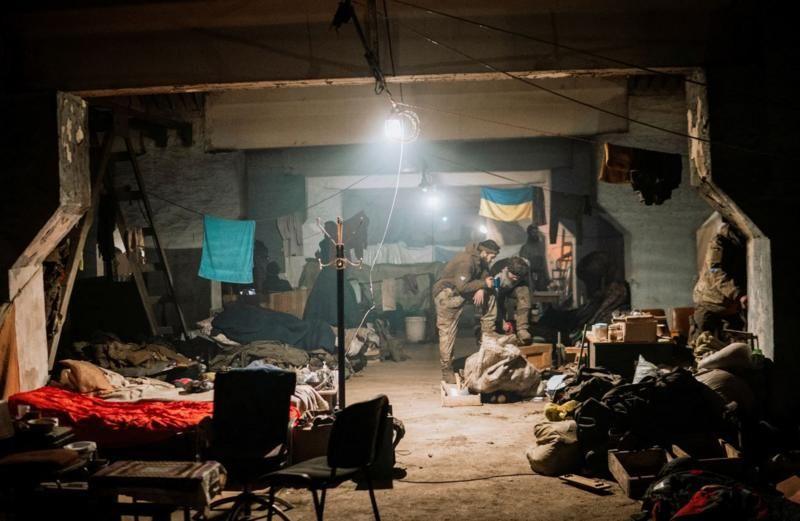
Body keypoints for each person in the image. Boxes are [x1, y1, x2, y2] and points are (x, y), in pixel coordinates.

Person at [432, 240, 500, 383]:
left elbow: (485, 275)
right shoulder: (466, 261)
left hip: (459, 292)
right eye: (491, 257)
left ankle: (487, 335)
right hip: (447, 295)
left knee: (490, 294)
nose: (492, 260)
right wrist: (483, 284)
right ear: (484, 252)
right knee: (447, 333)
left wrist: (482, 288)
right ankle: (447, 370)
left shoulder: (480, 259)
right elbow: (462, 286)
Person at [691, 221, 747, 343]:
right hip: (709, 301)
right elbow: (715, 271)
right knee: (703, 344)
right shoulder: (719, 243)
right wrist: (738, 294)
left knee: (737, 345)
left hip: (730, 305)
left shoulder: (742, 245)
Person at [481, 256, 533, 344]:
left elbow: (529, 287)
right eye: (514, 275)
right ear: (507, 270)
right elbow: (495, 301)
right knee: (498, 304)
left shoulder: (524, 270)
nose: (516, 278)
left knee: (524, 292)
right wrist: (502, 321)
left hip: (513, 288)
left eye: (519, 277)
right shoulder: (497, 276)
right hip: (499, 289)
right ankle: (496, 330)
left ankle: (522, 329)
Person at [519, 225, 550, 291]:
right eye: (533, 232)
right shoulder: (525, 248)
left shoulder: (541, 246)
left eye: (536, 232)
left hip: (541, 276)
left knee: (543, 295)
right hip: (529, 276)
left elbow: (544, 261)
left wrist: (547, 276)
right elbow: (523, 265)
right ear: (529, 233)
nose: (535, 234)